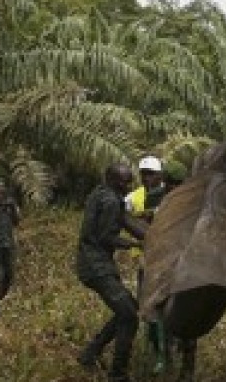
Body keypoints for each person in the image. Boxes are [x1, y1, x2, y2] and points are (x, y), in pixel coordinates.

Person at [76, 163, 147, 382]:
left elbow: (125, 220)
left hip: (92, 264)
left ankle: (90, 354)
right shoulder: (110, 201)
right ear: (114, 180)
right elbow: (106, 237)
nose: (128, 186)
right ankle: (118, 374)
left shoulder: (100, 194)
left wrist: (150, 234)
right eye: (125, 182)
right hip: (97, 266)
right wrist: (135, 244)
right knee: (130, 316)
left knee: (129, 309)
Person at [125, 156, 169, 374]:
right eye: (143, 173)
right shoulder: (133, 198)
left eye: (151, 173)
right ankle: (157, 350)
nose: (147, 177)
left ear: (161, 174)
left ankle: (166, 350)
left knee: (169, 304)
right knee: (148, 306)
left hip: (170, 258)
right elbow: (122, 217)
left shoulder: (172, 195)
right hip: (146, 259)